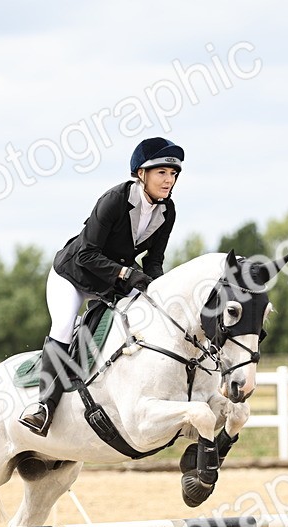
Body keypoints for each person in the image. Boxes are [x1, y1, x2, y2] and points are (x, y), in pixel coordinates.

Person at [19, 136, 184, 436]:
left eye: (173, 174)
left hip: (109, 282)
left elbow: (154, 262)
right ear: (141, 174)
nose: (168, 180)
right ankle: (43, 407)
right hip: (73, 275)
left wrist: (160, 292)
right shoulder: (115, 200)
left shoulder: (167, 211)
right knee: (64, 325)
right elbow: (87, 253)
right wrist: (125, 274)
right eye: (161, 172)